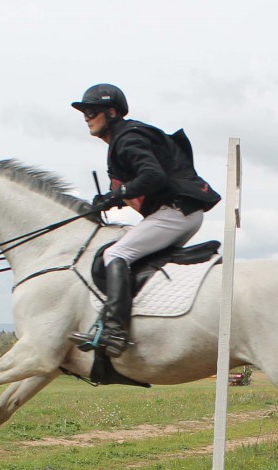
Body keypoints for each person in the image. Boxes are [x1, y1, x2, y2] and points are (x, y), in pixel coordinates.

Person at [68, 83, 221, 357]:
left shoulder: (127, 139)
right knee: (133, 257)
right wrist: (110, 199)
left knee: (115, 254)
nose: (86, 118)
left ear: (112, 112)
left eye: (92, 111)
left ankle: (114, 330)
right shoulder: (125, 137)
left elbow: (153, 176)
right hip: (179, 212)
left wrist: (116, 195)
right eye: (84, 113)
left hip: (174, 212)